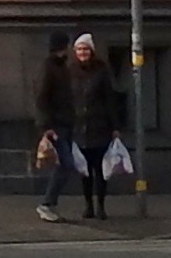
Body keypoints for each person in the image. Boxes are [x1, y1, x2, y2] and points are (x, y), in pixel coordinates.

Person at [37, 33, 126, 223]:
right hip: (71, 126)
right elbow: (44, 98)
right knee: (75, 166)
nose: (80, 52)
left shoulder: (97, 70)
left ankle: (94, 206)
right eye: (77, 48)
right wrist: (46, 125)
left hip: (94, 125)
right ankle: (49, 204)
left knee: (96, 168)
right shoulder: (60, 69)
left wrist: (114, 125)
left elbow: (109, 99)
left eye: (85, 49)